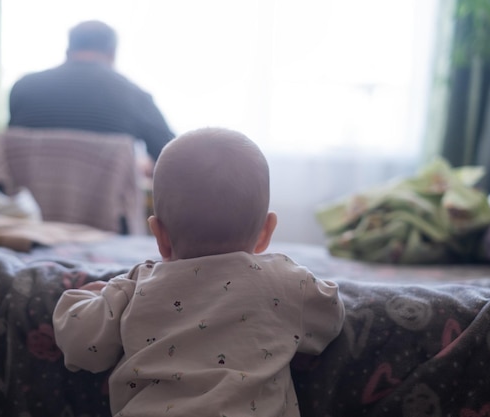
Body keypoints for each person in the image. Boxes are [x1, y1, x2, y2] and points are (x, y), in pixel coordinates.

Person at [53, 127, 345, 417]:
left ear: (159, 235)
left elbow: (80, 346)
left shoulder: (133, 289)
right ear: (266, 231)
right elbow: (330, 319)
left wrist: (96, 296)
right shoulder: (285, 282)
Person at [8, 20, 174, 162]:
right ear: (112, 53)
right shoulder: (135, 96)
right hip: (105, 200)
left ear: (68, 51)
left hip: (24, 198)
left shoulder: (23, 87)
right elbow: (172, 155)